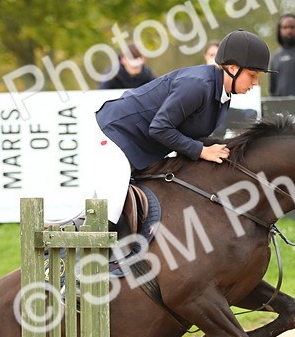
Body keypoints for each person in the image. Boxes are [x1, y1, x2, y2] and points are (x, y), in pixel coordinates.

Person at [92, 29, 271, 228]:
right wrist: (201, 150)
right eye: (252, 75)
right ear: (232, 68)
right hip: (114, 135)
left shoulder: (222, 93)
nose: (255, 83)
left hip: (138, 143)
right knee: (108, 216)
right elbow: (159, 128)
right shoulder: (198, 85)